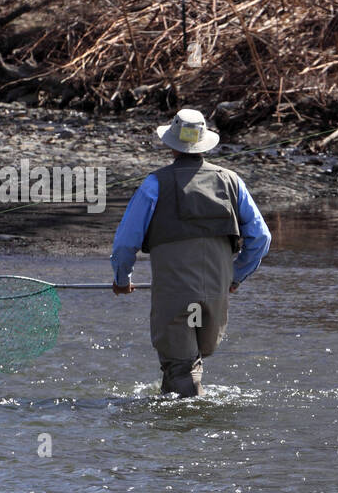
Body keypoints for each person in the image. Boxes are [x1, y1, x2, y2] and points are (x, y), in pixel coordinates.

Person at [110, 108, 271, 396]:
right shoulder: (231, 181)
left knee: (180, 365)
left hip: (174, 291)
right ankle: (182, 423)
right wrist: (235, 276)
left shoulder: (154, 184)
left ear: (170, 144)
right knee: (190, 359)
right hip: (216, 291)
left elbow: (125, 243)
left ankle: (188, 428)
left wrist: (122, 280)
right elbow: (260, 237)